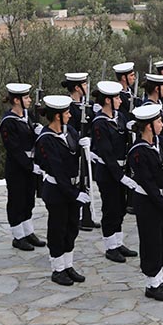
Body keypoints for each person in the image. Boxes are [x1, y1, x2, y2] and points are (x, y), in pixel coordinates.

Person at [127, 103, 163, 301]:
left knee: (161, 241)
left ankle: (158, 280)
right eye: (158, 121)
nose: (162, 124)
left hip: (159, 200)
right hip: (148, 201)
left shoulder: (159, 143)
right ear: (148, 126)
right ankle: (151, 284)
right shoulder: (138, 151)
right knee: (151, 242)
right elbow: (148, 184)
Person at [35, 95, 89, 286]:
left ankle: (68, 265)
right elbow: (57, 171)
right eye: (66, 112)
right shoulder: (46, 140)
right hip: (58, 191)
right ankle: (57, 269)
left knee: (71, 228)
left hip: (71, 188)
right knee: (58, 229)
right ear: (57, 116)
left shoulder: (70, 132)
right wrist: (75, 194)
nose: (69, 115)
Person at [91, 80, 138, 263]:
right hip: (108, 172)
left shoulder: (119, 117)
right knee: (110, 208)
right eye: (117, 97)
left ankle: (118, 242)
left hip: (121, 169)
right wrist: (120, 176)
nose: (120, 100)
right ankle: (110, 246)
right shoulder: (99, 123)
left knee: (120, 207)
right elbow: (106, 153)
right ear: (108, 101)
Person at [0, 83, 46, 251]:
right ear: (16, 100)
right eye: (26, 98)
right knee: (17, 201)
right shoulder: (8, 122)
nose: (29, 100)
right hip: (17, 167)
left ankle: (28, 231)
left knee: (28, 200)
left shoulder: (28, 115)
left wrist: (39, 132)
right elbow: (14, 149)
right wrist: (29, 166)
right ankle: (18, 235)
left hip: (31, 165)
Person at [63, 72, 100, 231]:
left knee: (86, 181)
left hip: (88, 149)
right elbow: (69, 130)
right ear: (77, 88)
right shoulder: (68, 107)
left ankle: (87, 214)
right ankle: (77, 215)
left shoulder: (89, 105)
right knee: (78, 182)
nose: (86, 87)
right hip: (76, 150)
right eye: (84, 85)